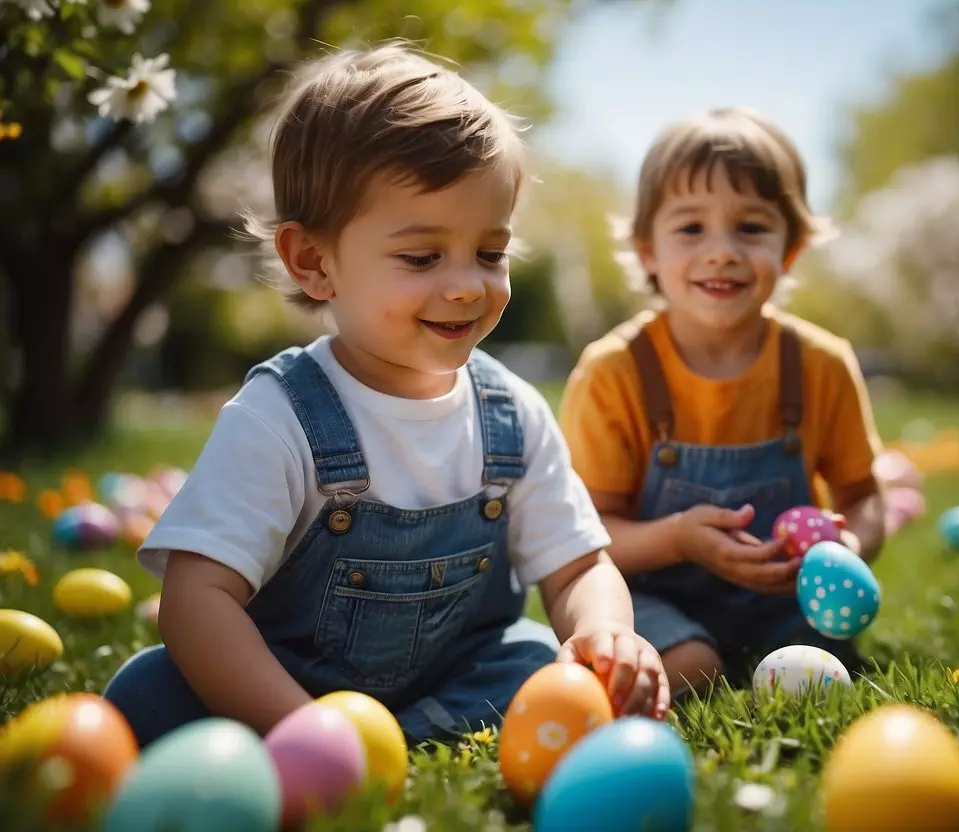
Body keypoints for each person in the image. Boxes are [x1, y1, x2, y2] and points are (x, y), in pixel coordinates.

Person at [103, 41, 669, 749]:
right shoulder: (279, 417)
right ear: (313, 262)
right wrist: (299, 730)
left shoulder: (512, 415)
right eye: (421, 257)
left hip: (451, 673)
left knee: (532, 660)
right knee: (148, 692)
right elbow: (195, 601)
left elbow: (578, 564)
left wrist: (604, 632)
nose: (466, 283)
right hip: (277, 688)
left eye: (490, 253)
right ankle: (362, 739)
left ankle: (410, 731)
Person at [557, 107, 887, 698]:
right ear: (647, 250)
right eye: (691, 229)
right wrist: (680, 538)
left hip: (783, 599)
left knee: (816, 673)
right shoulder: (616, 373)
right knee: (690, 666)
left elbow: (864, 497)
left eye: (752, 228)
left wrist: (845, 551)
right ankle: (693, 655)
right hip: (653, 595)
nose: (722, 251)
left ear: (791, 249)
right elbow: (590, 537)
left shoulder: (820, 365)